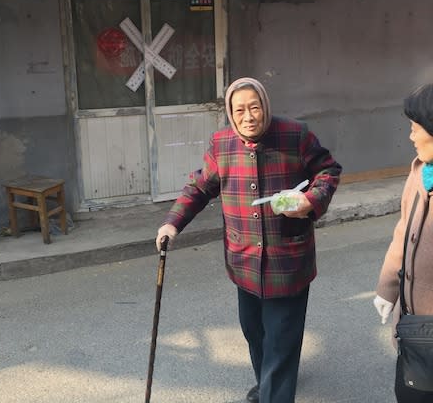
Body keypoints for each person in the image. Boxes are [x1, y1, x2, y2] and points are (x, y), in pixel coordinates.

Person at [155, 77, 342, 403]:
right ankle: (268, 386)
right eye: (239, 109)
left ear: (265, 106)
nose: (248, 116)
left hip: (288, 261)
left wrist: (311, 201)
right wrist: (172, 224)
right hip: (244, 262)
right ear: (230, 111)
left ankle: (273, 393)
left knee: (281, 341)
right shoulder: (221, 144)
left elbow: (327, 170)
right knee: (256, 335)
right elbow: (199, 188)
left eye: (254, 107)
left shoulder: (294, 134)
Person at [374, 82, 433, 403]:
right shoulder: (420, 174)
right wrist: (387, 290)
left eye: (416, 128)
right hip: (415, 326)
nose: (411, 136)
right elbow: (403, 235)